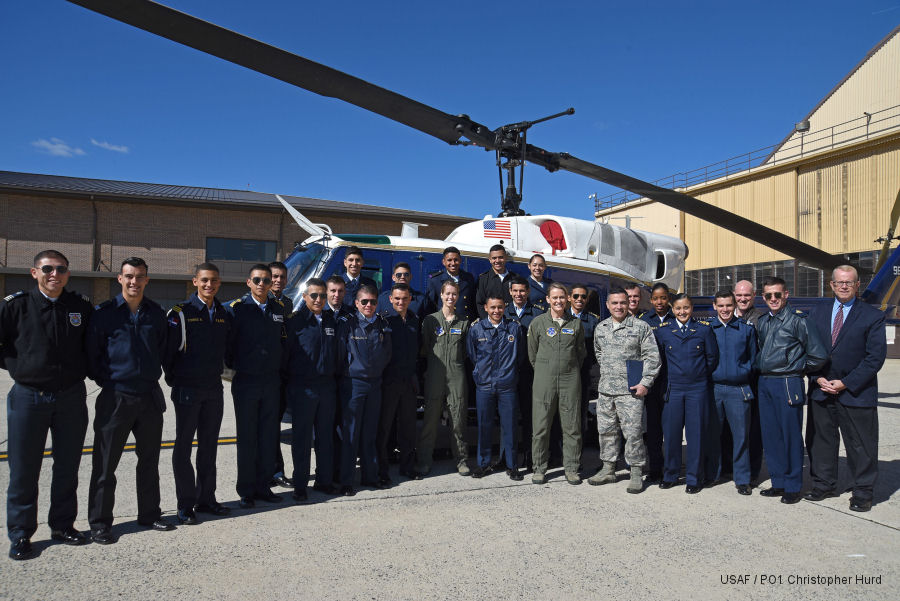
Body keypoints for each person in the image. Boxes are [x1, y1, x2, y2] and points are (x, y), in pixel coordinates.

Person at [1, 250, 93, 559]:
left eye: (61, 269)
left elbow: (91, 347)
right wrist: (19, 365)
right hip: (29, 397)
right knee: (24, 470)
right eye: (48, 268)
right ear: (34, 272)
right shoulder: (16, 306)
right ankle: (21, 534)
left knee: (67, 466)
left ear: (68, 273)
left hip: (70, 397)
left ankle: (63, 525)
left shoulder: (79, 306)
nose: (55, 274)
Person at [86, 257, 174, 544]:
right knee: (105, 463)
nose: (134, 281)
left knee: (148, 460)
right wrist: (111, 382)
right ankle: (100, 523)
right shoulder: (104, 314)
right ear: (119, 279)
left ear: (147, 280)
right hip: (116, 398)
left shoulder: (156, 314)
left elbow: (163, 349)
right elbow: (92, 356)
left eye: (139, 276)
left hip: (148, 396)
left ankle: (149, 514)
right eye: (129, 276)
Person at [805, 266, 886, 512]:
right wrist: (817, 378)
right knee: (821, 442)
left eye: (849, 282)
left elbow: (875, 358)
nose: (843, 286)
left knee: (861, 444)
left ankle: (862, 492)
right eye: (839, 282)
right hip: (822, 389)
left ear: (857, 285)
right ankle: (824, 484)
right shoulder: (817, 313)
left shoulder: (872, 316)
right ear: (831, 285)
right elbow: (807, 349)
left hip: (855, 392)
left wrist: (846, 382)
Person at [165, 263, 232, 525]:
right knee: (183, 447)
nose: (209, 285)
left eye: (214, 281)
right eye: (204, 280)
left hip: (214, 389)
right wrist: (177, 380)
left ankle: (207, 499)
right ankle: (185, 504)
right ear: (195, 281)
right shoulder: (181, 312)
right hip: (187, 389)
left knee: (209, 446)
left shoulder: (223, 313)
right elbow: (168, 354)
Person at [755, 276, 827, 504]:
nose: (773, 299)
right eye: (768, 296)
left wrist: (796, 368)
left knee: (790, 436)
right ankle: (778, 482)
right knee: (771, 436)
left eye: (777, 294)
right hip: (765, 382)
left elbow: (818, 355)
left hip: (787, 382)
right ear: (763, 298)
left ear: (786, 294)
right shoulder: (763, 321)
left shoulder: (799, 321)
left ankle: (793, 486)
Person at [225, 264, 287, 509]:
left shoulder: (278, 308)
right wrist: (240, 367)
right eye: (257, 280)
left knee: (268, 437)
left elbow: (283, 342)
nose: (262, 284)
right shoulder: (237, 310)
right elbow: (228, 347)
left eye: (266, 280)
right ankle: (246, 489)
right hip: (247, 382)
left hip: (271, 381)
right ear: (248, 282)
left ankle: (264, 486)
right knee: (248, 438)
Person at [588, 288, 661, 493]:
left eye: (622, 303)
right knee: (606, 431)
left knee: (633, 433)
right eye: (614, 303)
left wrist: (645, 382)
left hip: (631, 392)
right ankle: (608, 468)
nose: (619, 307)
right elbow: (599, 353)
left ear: (629, 303)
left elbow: (652, 357)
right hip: (606, 390)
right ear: (608, 305)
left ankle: (636, 471)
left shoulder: (640, 327)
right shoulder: (601, 327)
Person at [652, 293, 718, 493]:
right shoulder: (664, 332)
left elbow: (712, 358)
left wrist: (697, 376)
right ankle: (670, 475)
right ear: (673, 310)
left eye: (686, 308)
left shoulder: (703, 330)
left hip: (697, 389)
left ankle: (694, 478)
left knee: (695, 436)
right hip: (673, 389)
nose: (682, 312)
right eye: (678, 309)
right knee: (671, 435)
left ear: (692, 309)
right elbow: (659, 360)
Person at [284, 278, 339, 502]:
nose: (319, 300)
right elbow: (285, 357)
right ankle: (300, 485)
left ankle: (324, 481)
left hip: (326, 387)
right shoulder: (295, 322)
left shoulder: (330, 320)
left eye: (322, 296)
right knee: (302, 439)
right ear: (305, 297)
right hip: (303, 388)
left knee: (325, 437)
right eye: (314, 295)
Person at [528, 282, 586, 485]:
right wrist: (547, 369)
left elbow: (580, 353)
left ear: (568, 299)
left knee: (572, 426)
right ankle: (539, 468)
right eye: (555, 297)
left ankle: (571, 468)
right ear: (548, 300)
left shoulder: (576, 324)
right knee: (541, 426)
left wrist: (567, 368)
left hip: (570, 379)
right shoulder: (538, 323)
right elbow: (532, 354)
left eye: (562, 297)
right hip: (544, 379)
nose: (559, 301)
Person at [336, 285, 392, 495]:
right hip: (354, 384)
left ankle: (370, 477)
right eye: (365, 302)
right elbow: (340, 354)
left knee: (370, 433)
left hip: (375, 384)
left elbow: (387, 353)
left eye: (373, 302)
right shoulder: (347, 324)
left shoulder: (383, 324)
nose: (369, 305)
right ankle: (346, 481)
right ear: (357, 303)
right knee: (350, 434)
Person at [467, 294, 526, 481]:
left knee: (509, 427)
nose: (496, 311)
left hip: (507, 386)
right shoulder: (476, 329)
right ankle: (483, 464)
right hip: (484, 386)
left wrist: (509, 375)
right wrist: (481, 374)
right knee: (484, 426)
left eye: (500, 307)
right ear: (486, 308)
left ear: (504, 307)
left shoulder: (514, 328)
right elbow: (472, 355)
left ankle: (511, 465)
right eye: (492, 307)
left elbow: (520, 356)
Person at [416, 280, 471, 477]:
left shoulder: (463, 322)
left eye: (454, 294)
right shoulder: (430, 321)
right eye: (447, 293)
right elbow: (424, 348)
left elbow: (466, 351)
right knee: (430, 420)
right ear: (441, 295)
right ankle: (423, 460)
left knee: (458, 420)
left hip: (456, 375)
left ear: (458, 297)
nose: (450, 297)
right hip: (435, 374)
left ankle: (462, 460)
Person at [706, 290, 757, 496]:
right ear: (714, 306)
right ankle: (712, 473)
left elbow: (753, 359)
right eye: (721, 306)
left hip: (738, 389)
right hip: (715, 388)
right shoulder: (708, 329)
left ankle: (742, 478)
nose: (725, 309)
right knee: (712, 434)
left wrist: (743, 373)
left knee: (741, 436)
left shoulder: (746, 329)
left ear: (734, 306)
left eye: (729, 305)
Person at [377, 283, 421, 483]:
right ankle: (382, 469)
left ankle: (407, 467)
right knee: (385, 428)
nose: (401, 302)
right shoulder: (385, 321)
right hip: (389, 382)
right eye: (397, 298)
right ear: (390, 299)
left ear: (410, 299)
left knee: (408, 427)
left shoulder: (414, 320)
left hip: (408, 383)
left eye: (404, 298)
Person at [505, 276, 542, 469]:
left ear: (528, 292)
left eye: (522, 291)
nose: (519, 294)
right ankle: (506, 458)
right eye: (515, 291)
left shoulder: (537, 313)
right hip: (508, 373)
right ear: (510, 292)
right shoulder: (502, 312)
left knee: (530, 418)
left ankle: (529, 457)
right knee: (507, 417)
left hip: (529, 373)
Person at [640, 282, 675, 483]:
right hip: (653, 382)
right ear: (651, 300)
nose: (660, 302)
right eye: (656, 298)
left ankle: (672, 466)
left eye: (663, 297)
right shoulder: (645, 320)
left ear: (668, 298)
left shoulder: (677, 316)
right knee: (653, 429)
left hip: (673, 380)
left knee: (671, 428)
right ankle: (655, 468)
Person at [732, 279, 765, 484]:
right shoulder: (726, 316)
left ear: (754, 296)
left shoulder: (760, 320)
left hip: (752, 381)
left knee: (752, 429)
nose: (743, 299)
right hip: (729, 383)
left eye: (747, 295)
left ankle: (752, 472)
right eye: (739, 295)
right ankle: (730, 467)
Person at [268, 261, 294, 490]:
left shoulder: (287, 303)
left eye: (282, 277)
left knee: (273, 425)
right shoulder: (254, 304)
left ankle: (276, 471)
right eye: (274, 276)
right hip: (261, 375)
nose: (278, 280)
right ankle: (266, 472)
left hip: (281, 375)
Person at [568, 284, 600, 443]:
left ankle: (576, 454)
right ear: (569, 298)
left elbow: (596, 350)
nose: (579, 299)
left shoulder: (593, 321)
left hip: (583, 374)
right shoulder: (560, 317)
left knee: (580, 414)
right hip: (564, 374)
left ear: (587, 300)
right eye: (575, 296)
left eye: (583, 297)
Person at [425, 246, 476, 320]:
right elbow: (430, 306)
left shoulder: (468, 278)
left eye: (456, 260)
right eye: (449, 260)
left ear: (460, 260)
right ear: (444, 262)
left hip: (464, 322)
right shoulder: (435, 280)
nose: (453, 263)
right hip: (444, 323)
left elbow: (472, 303)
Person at [475, 244, 513, 318]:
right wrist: (489, 323)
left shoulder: (515, 279)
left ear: (506, 258)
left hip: (510, 323)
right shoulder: (483, 279)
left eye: (501, 257)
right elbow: (480, 304)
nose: (497, 261)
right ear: (490, 260)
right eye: (494, 258)